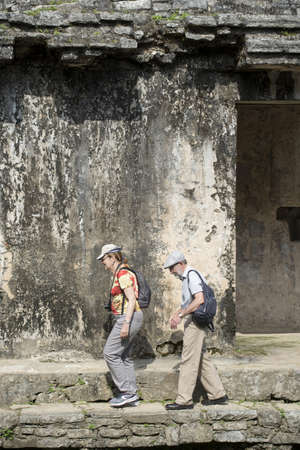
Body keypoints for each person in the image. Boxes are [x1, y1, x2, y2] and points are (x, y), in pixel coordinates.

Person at [163, 250, 228, 410]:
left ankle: (184, 400)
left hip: (195, 322)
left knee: (188, 360)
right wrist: (177, 313)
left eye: (171, 267)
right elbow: (190, 301)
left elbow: (199, 300)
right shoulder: (189, 276)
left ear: (180, 264)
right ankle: (218, 394)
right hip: (195, 320)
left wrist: (181, 315)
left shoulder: (191, 275)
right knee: (201, 358)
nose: (171, 272)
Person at [97, 243, 143, 407]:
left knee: (110, 353)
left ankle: (127, 392)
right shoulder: (122, 272)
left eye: (104, 259)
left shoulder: (123, 273)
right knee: (124, 357)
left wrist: (125, 324)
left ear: (112, 257)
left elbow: (131, 300)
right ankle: (132, 394)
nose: (103, 262)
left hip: (128, 317)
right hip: (129, 317)